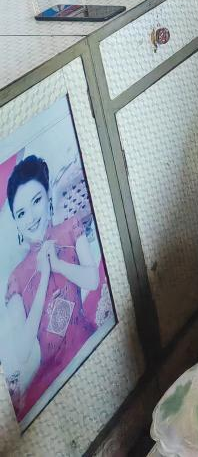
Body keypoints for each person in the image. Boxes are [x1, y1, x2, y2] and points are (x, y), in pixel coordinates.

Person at [4, 155, 107, 420]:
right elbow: (22, 350)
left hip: (90, 347)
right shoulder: (16, 278)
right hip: (53, 379)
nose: (31, 218)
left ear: (48, 196)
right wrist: (44, 276)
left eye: (36, 201)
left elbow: (92, 280)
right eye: (21, 213)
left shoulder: (70, 228)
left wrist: (59, 266)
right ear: (16, 221)